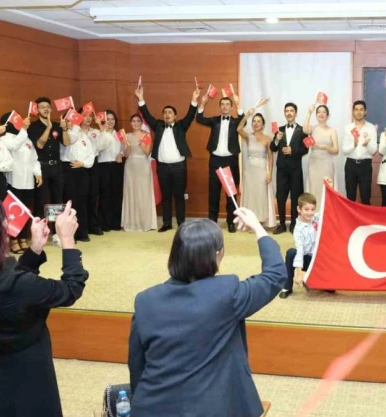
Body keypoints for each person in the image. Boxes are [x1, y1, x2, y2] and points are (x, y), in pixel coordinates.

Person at [128, 208, 287, 417]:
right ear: (217, 254)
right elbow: (275, 275)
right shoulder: (227, 293)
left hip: (152, 408)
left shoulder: (145, 301)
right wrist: (258, 228)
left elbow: (137, 365)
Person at [0, 196, 88, 417]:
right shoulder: (18, 286)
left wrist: (34, 250)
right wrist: (67, 239)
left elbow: (10, 291)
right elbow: (71, 288)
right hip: (25, 378)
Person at [136, 86, 197, 232]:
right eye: (165, 113)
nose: (167, 115)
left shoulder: (181, 126)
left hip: (179, 167)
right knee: (166, 196)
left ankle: (181, 223)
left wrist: (194, 99)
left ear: (175, 116)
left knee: (179, 196)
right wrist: (140, 98)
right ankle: (167, 223)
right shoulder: (158, 125)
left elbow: (190, 115)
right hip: (162, 167)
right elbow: (147, 115)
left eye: (170, 112)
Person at [197, 88, 244, 233]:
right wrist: (202, 104)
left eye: (227, 104)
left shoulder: (236, 122)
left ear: (231, 107)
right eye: (222, 104)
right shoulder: (215, 120)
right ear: (220, 106)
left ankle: (231, 222)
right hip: (215, 160)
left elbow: (244, 120)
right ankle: (212, 222)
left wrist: (238, 104)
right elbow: (199, 118)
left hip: (230, 160)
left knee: (231, 194)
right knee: (214, 192)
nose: (224, 107)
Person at [279, 183, 332, 299]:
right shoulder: (298, 229)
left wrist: (329, 187)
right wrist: (299, 273)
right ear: (299, 209)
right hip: (306, 260)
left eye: (312, 209)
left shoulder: (315, 218)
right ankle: (287, 287)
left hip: (318, 260)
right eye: (306, 209)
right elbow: (300, 251)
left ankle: (314, 279)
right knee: (291, 253)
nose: (310, 212)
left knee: (331, 288)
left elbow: (326, 207)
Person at [0, 111, 40, 254]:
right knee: (13, 211)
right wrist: (23, 129)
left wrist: (38, 173)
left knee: (26, 210)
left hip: (28, 181)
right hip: (13, 180)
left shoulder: (26, 138)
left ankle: (23, 238)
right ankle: (13, 240)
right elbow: (15, 146)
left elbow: (34, 159)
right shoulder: (5, 139)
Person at [270, 102, 309, 234]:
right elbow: (272, 148)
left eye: (291, 111)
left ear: (295, 113)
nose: (289, 113)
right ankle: (281, 224)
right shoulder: (279, 129)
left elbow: (305, 149)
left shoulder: (302, 130)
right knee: (280, 196)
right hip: (281, 169)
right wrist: (276, 140)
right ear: (284, 113)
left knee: (296, 197)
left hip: (295, 169)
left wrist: (293, 151)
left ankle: (293, 223)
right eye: (287, 111)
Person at [28, 97, 69, 218]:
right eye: (42, 107)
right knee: (41, 199)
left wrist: (64, 129)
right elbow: (39, 145)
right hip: (41, 167)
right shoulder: (33, 126)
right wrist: (48, 128)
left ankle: (57, 228)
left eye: (48, 107)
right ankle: (40, 226)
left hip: (57, 167)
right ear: (37, 110)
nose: (46, 109)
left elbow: (66, 143)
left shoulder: (58, 125)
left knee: (58, 199)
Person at [63, 110, 98, 242]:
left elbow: (91, 154)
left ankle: (82, 232)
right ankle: (70, 234)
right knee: (71, 203)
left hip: (82, 170)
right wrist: (73, 127)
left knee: (82, 202)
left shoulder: (83, 136)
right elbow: (71, 140)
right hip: (69, 168)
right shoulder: (66, 133)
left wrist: (83, 163)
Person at [237, 109, 276, 227]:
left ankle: (260, 219)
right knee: (250, 194)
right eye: (254, 121)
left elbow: (270, 158)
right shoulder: (248, 136)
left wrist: (270, 173)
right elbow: (239, 129)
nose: (256, 123)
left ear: (263, 124)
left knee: (260, 195)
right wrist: (246, 116)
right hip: (249, 170)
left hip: (262, 170)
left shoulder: (268, 138)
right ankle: (248, 220)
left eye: (259, 121)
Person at [121, 114, 157, 232]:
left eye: (138, 121)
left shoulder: (147, 135)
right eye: (133, 121)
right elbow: (126, 154)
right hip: (130, 166)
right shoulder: (127, 136)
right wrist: (128, 145)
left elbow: (147, 152)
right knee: (131, 192)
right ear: (130, 123)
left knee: (143, 193)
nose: (136, 123)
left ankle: (145, 222)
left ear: (141, 123)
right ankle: (131, 222)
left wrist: (141, 144)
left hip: (143, 165)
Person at [342, 100, 377, 205]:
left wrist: (367, 145)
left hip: (365, 165)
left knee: (365, 197)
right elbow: (344, 150)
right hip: (350, 165)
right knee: (350, 197)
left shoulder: (371, 128)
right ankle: (350, 216)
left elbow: (373, 151)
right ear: (353, 112)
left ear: (365, 112)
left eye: (361, 109)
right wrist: (354, 144)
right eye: (356, 109)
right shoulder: (348, 128)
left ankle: (365, 216)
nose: (358, 112)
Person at [303, 104, 339, 206]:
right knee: (313, 187)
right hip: (314, 163)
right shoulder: (312, 128)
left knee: (326, 188)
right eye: (319, 112)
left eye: (324, 112)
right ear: (316, 115)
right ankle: (313, 211)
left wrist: (326, 147)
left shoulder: (332, 131)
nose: (321, 114)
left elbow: (336, 150)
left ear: (327, 115)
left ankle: (326, 212)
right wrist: (309, 112)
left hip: (326, 163)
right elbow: (304, 130)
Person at [96, 110, 125, 232]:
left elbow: (124, 147)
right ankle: (105, 224)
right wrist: (103, 132)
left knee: (116, 194)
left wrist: (121, 154)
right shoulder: (99, 133)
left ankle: (115, 223)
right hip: (103, 166)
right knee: (105, 195)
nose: (110, 121)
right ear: (104, 120)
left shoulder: (119, 134)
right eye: (108, 119)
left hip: (116, 166)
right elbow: (99, 147)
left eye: (112, 119)